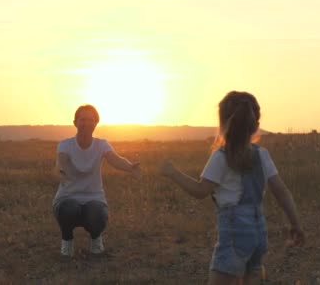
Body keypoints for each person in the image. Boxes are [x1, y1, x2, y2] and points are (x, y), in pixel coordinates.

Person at [160, 91, 304, 285]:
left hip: (234, 234)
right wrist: (296, 224)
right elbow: (282, 192)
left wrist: (173, 173)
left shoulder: (220, 157)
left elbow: (201, 191)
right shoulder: (262, 154)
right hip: (258, 233)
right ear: (255, 125)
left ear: (223, 126)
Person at [53, 104, 141, 257]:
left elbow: (115, 159)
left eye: (90, 120)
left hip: (94, 198)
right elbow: (60, 161)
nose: (86, 123)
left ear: (96, 123)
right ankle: (67, 242)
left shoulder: (101, 145)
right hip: (67, 198)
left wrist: (130, 167)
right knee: (69, 209)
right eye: (82, 119)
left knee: (97, 213)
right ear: (75, 123)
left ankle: (96, 240)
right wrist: (60, 171)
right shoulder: (65, 145)